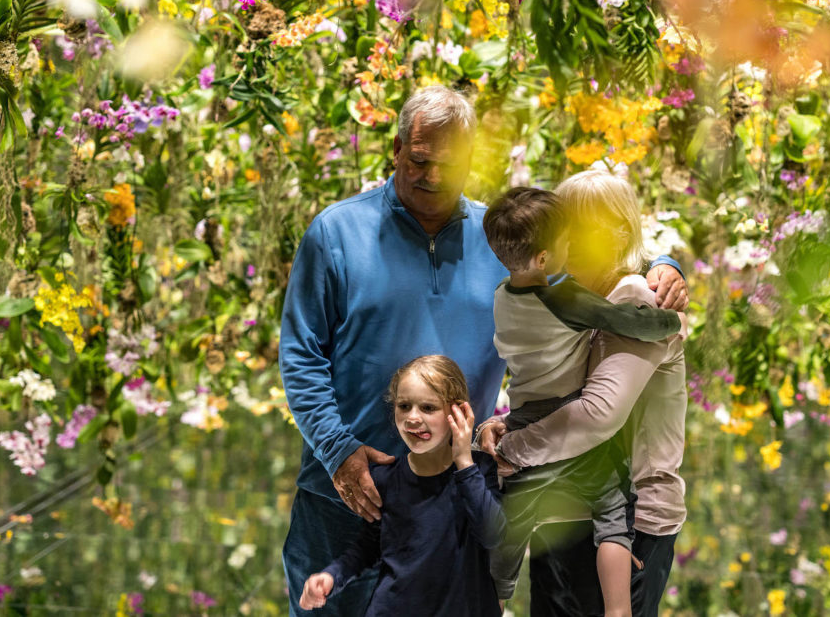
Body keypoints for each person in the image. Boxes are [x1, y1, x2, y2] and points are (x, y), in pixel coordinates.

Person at [279, 85, 688, 615]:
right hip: (348, 493)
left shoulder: (502, 239)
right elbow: (300, 358)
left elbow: (595, 258)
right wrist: (339, 453)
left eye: (449, 166)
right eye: (420, 160)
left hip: (453, 500)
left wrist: (663, 261)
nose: (430, 177)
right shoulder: (336, 233)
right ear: (397, 149)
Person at [482, 170, 688, 617]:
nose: (566, 246)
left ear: (617, 235)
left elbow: (596, 414)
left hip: (631, 517)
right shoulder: (561, 296)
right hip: (562, 503)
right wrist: (504, 427)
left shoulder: (634, 294)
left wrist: (511, 448)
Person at [298, 356, 505, 616]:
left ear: (458, 413)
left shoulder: (480, 470)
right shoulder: (384, 478)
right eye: (404, 406)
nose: (412, 418)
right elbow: (366, 549)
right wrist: (331, 577)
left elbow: (495, 536)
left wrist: (464, 461)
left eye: (428, 408)